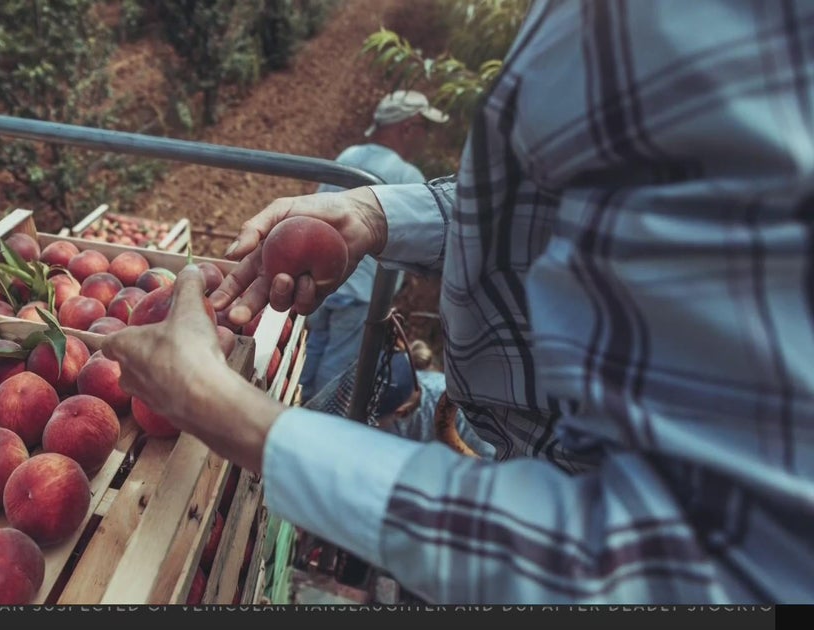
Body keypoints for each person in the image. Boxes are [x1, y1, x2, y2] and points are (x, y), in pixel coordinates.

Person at [104, 0, 814, 603]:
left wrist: (229, 414)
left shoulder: (699, 28)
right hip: (513, 443)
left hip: (548, 480)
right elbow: (537, 205)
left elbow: (699, 569)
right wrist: (377, 216)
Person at [301, 90, 442, 398]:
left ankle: (290, 416)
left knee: (310, 361)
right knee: (335, 378)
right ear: (409, 127)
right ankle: (311, 433)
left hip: (322, 284)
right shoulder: (408, 176)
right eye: (425, 129)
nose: (426, 138)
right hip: (362, 293)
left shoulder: (349, 156)